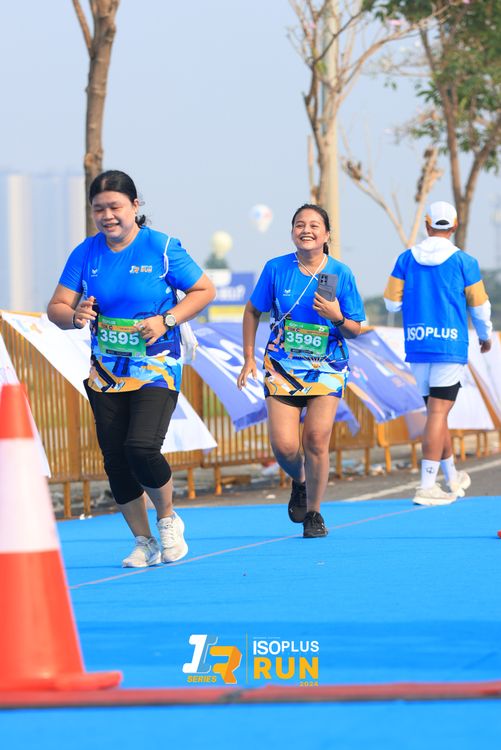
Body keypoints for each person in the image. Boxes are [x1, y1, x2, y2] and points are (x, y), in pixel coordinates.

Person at [47, 170, 216, 567]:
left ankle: (167, 518)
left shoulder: (161, 247)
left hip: (156, 366)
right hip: (106, 372)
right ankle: (144, 541)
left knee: (141, 447)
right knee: (116, 460)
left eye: (115, 207)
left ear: (135, 206)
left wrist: (167, 320)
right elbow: (56, 307)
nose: (107, 216)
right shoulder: (86, 253)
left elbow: (204, 290)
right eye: (99, 209)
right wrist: (75, 315)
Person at [237, 204, 365, 538]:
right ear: (292, 231)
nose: (306, 230)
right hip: (282, 366)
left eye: (313, 225)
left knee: (316, 439)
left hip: (326, 366)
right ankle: (300, 479)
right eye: (299, 224)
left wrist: (337, 316)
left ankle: (314, 512)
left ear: (326, 234)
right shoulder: (276, 269)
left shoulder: (338, 273)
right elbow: (252, 311)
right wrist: (249, 357)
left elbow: (355, 329)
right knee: (284, 446)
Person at [384, 200, 492, 506]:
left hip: (417, 343)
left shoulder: (405, 259)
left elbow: (391, 303)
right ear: (454, 227)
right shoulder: (465, 262)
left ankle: (452, 477)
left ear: (427, 225)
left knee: (435, 413)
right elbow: (479, 306)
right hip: (449, 344)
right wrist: (485, 336)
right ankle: (426, 486)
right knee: (438, 413)